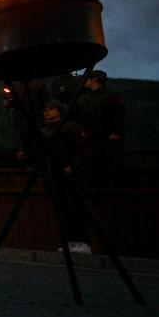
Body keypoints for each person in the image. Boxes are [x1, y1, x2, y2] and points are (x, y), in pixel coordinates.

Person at [41, 102, 91, 253]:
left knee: (74, 207)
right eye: (45, 110)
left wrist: (72, 166)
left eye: (50, 109)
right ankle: (68, 240)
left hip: (70, 174)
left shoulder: (71, 127)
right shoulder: (44, 131)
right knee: (61, 209)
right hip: (53, 174)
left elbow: (83, 150)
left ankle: (83, 241)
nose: (47, 112)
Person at [75, 70, 126, 187]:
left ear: (94, 79)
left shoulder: (111, 96)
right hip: (91, 138)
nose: (84, 81)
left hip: (107, 139)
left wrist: (116, 132)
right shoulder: (83, 99)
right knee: (93, 167)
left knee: (111, 166)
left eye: (87, 78)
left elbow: (118, 115)